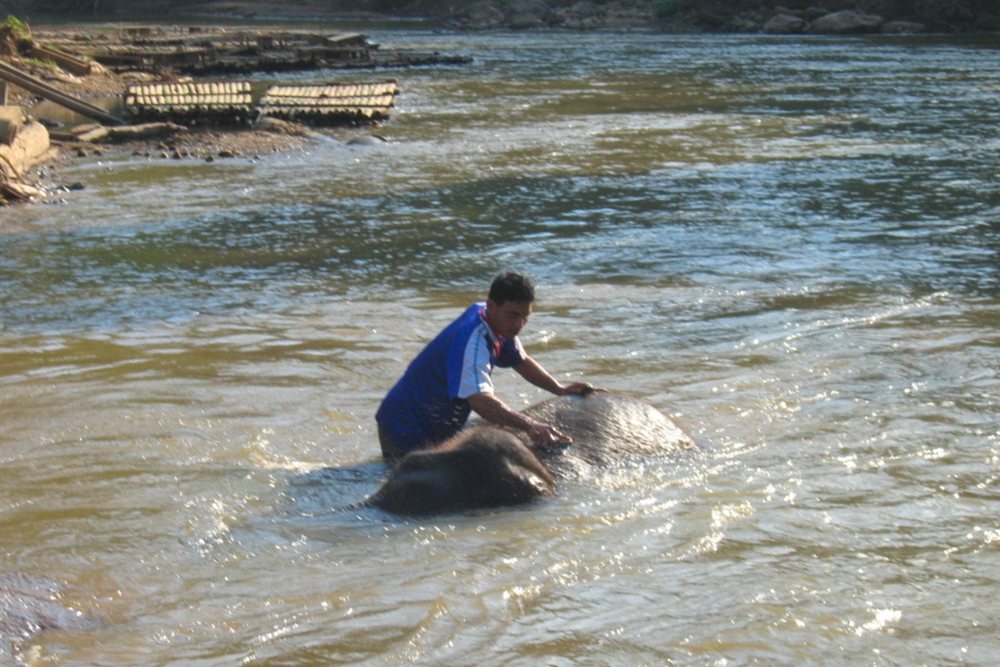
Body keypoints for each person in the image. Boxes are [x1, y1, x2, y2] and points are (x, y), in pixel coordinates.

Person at [375, 272, 593, 459]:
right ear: (491, 305)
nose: (519, 324)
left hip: (437, 421)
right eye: (513, 315)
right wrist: (530, 425)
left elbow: (520, 361)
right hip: (406, 426)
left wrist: (559, 389)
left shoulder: (495, 322)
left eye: (525, 317)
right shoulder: (474, 341)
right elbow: (480, 401)